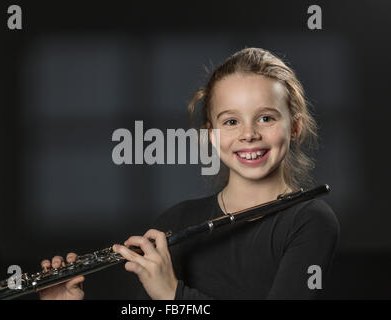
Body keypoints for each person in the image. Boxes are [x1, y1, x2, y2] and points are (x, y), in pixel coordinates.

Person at [38, 47, 340, 300]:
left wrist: (174, 296)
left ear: (295, 128)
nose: (249, 134)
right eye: (231, 121)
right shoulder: (175, 222)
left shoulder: (310, 221)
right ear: (211, 136)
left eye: (265, 118)